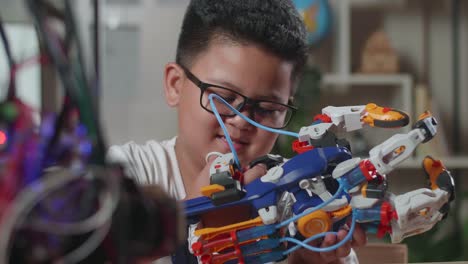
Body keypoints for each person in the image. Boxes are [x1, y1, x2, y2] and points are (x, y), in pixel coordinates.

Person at [107, 0, 367, 263]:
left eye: (266, 108)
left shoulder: (306, 196)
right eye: (222, 98)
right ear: (175, 85)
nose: (242, 121)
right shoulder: (123, 179)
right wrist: (195, 217)